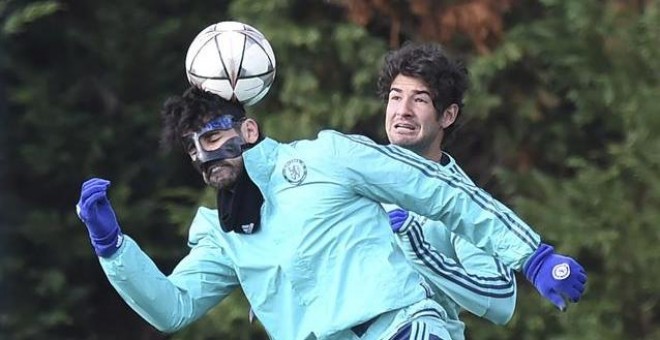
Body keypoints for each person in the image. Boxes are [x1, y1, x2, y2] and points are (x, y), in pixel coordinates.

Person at [76, 84, 586, 339]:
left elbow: (441, 192)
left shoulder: (328, 156)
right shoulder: (220, 229)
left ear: (248, 130)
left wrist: (533, 256)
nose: (205, 155)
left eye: (213, 136)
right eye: (192, 148)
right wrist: (113, 248)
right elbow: (173, 307)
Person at [376, 42, 520, 339]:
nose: (403, 111)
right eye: (395, 97)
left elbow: (502, 299)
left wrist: (423, 252)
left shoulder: (463, 201)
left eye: (419, 100)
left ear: (447, 115)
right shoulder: (352, 169)